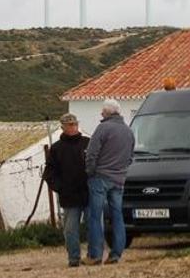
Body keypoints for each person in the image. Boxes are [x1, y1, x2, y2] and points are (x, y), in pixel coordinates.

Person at [83, 99, 135, 266]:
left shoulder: (103, 128)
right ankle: (116, 253)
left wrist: (90, 172)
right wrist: (121, 172)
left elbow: (91, 153)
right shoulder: (128, 131)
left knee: (95, 216)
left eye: (102, 112)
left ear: (107, 113)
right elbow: (130, 157)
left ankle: (95, 254)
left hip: (101, 178)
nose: (101, 114)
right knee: (117, 215)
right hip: (119, 179)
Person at [42, 113, 90, 268]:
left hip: (89, 194)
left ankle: (94, 256)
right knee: (70, 230)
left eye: (74, 124)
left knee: (94, 226)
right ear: (62, 127)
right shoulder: (56, 149)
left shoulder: (88, 143)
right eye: (69, 125)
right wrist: (60, 188)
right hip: (69, 197)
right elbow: (49, 174)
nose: (73, 127)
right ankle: (74, 259)